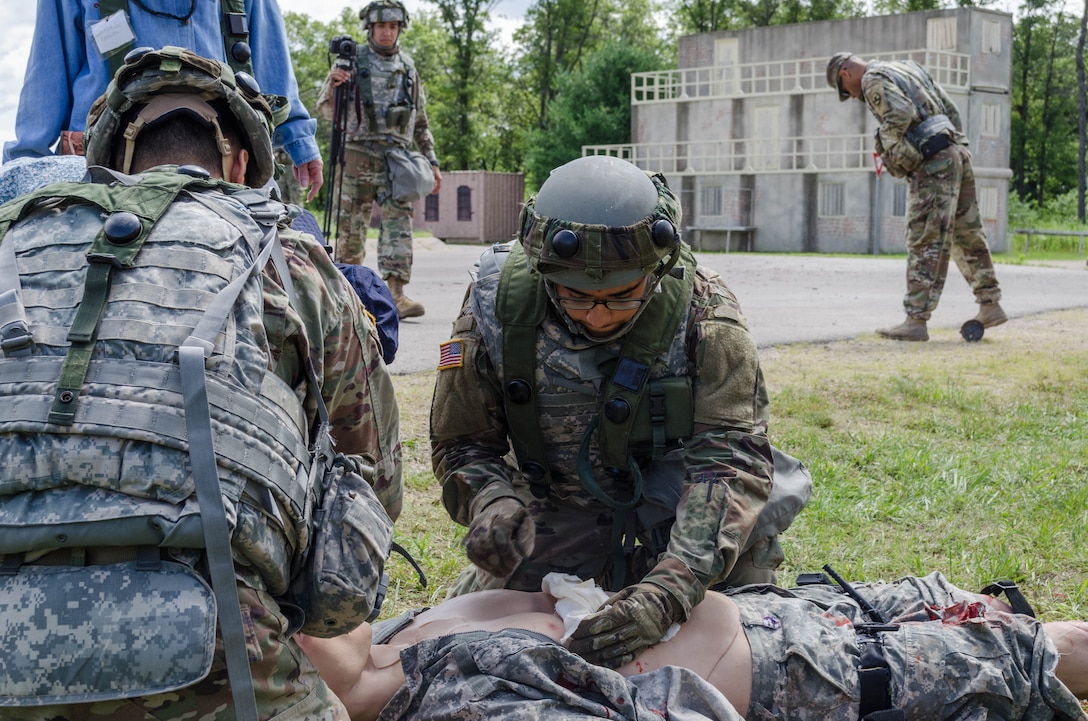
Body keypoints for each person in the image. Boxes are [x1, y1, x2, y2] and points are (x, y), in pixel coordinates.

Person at [0, 46, 401, 719]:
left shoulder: (12, 247)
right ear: (240, 163)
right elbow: (373, 484)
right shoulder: (288, 257)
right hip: (220, 651)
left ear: (113, 162)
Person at [430, 154, 812, 670]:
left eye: (621, 296)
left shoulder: (707, 313)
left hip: (680, 509)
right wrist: (493, 503)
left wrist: (671, 587)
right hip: (557, 505)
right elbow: (464, 441)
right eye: (576, 296)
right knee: (495, 640)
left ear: (657, 269)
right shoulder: (496, 304)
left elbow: (729, 459)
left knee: (739, 643)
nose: (598, 313)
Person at [298, 573, 1088, 721]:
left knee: (975, 605)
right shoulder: (453, 703)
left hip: (782, 611)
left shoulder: (402, 635)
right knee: (1037, 652)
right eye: (296, 628)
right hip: (806, 674)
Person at [4, 0, 325, 202]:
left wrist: (300, 142)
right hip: (102, 173)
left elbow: (271, 60)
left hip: (224, 169)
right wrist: (23, 166)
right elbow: (47, 72)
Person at [826, 52, 1007, 342]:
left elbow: (899, 114)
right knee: (967, 233)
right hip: (955, 153)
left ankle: (916, 320)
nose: (850, 95)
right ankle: (990, 303)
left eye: (844, 89)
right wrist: (955, 145)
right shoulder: (906, 67)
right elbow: (950, 108)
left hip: (933, 163)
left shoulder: (873, 80)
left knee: (924, 237)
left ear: (844, 74)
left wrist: (887, 142)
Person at [315, 0, 442, 320]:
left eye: (393, 26)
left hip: (396, 160)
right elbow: (326, 111)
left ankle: (396, 295)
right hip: (356, 156)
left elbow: (421, 121)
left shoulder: (408, 68)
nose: (387, 32)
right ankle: (348, 294)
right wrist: (334, 85)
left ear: (400, 28)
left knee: (399, 227)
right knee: (350, 230)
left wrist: (432, 161)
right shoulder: (350, 61)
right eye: (381, 26)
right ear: (370, 28)